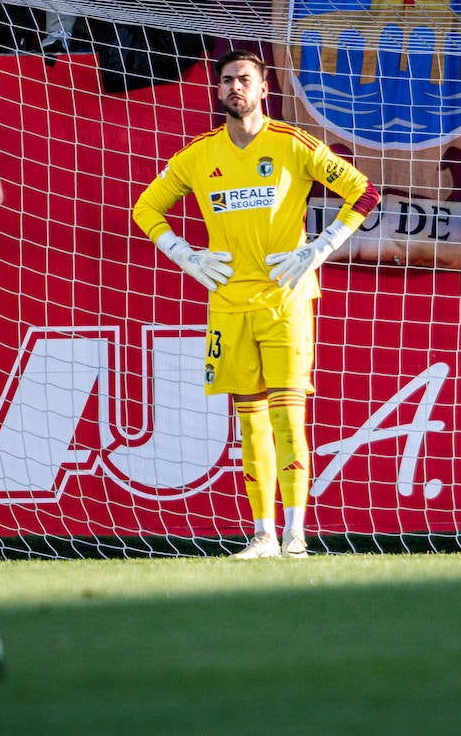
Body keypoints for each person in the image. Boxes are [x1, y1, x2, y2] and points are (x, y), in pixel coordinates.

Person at [132, 49, 380, 559]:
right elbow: (145, 208)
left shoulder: (292, 145)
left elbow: (364, 193)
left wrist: (319, 248)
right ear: (218, 90)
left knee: (289, 418)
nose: (235, 88)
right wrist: (183, 254)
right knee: (249, 422)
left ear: (265, 89)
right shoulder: (198, 155)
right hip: (228, 303)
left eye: (245, 79)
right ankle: (263, 534)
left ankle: (295, 535)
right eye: (227, 80)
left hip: (286, 300)